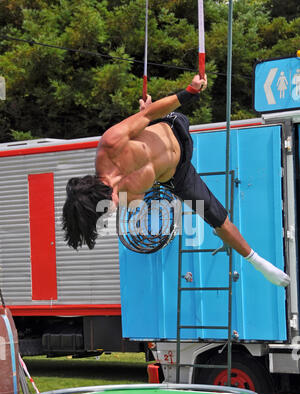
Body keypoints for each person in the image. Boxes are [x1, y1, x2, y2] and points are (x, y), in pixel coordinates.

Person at [62, 74, 290, 288]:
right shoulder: (126, 198)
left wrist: (189, 91)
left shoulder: (111, 144)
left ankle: (253, 258)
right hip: (176, 174)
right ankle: (259, 263)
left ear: (99, 190)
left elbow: (147, 117)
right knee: (216, 218)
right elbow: (143, 202)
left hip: (173, 126)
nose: (111, 211)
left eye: (105, 209)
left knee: (149, 115)